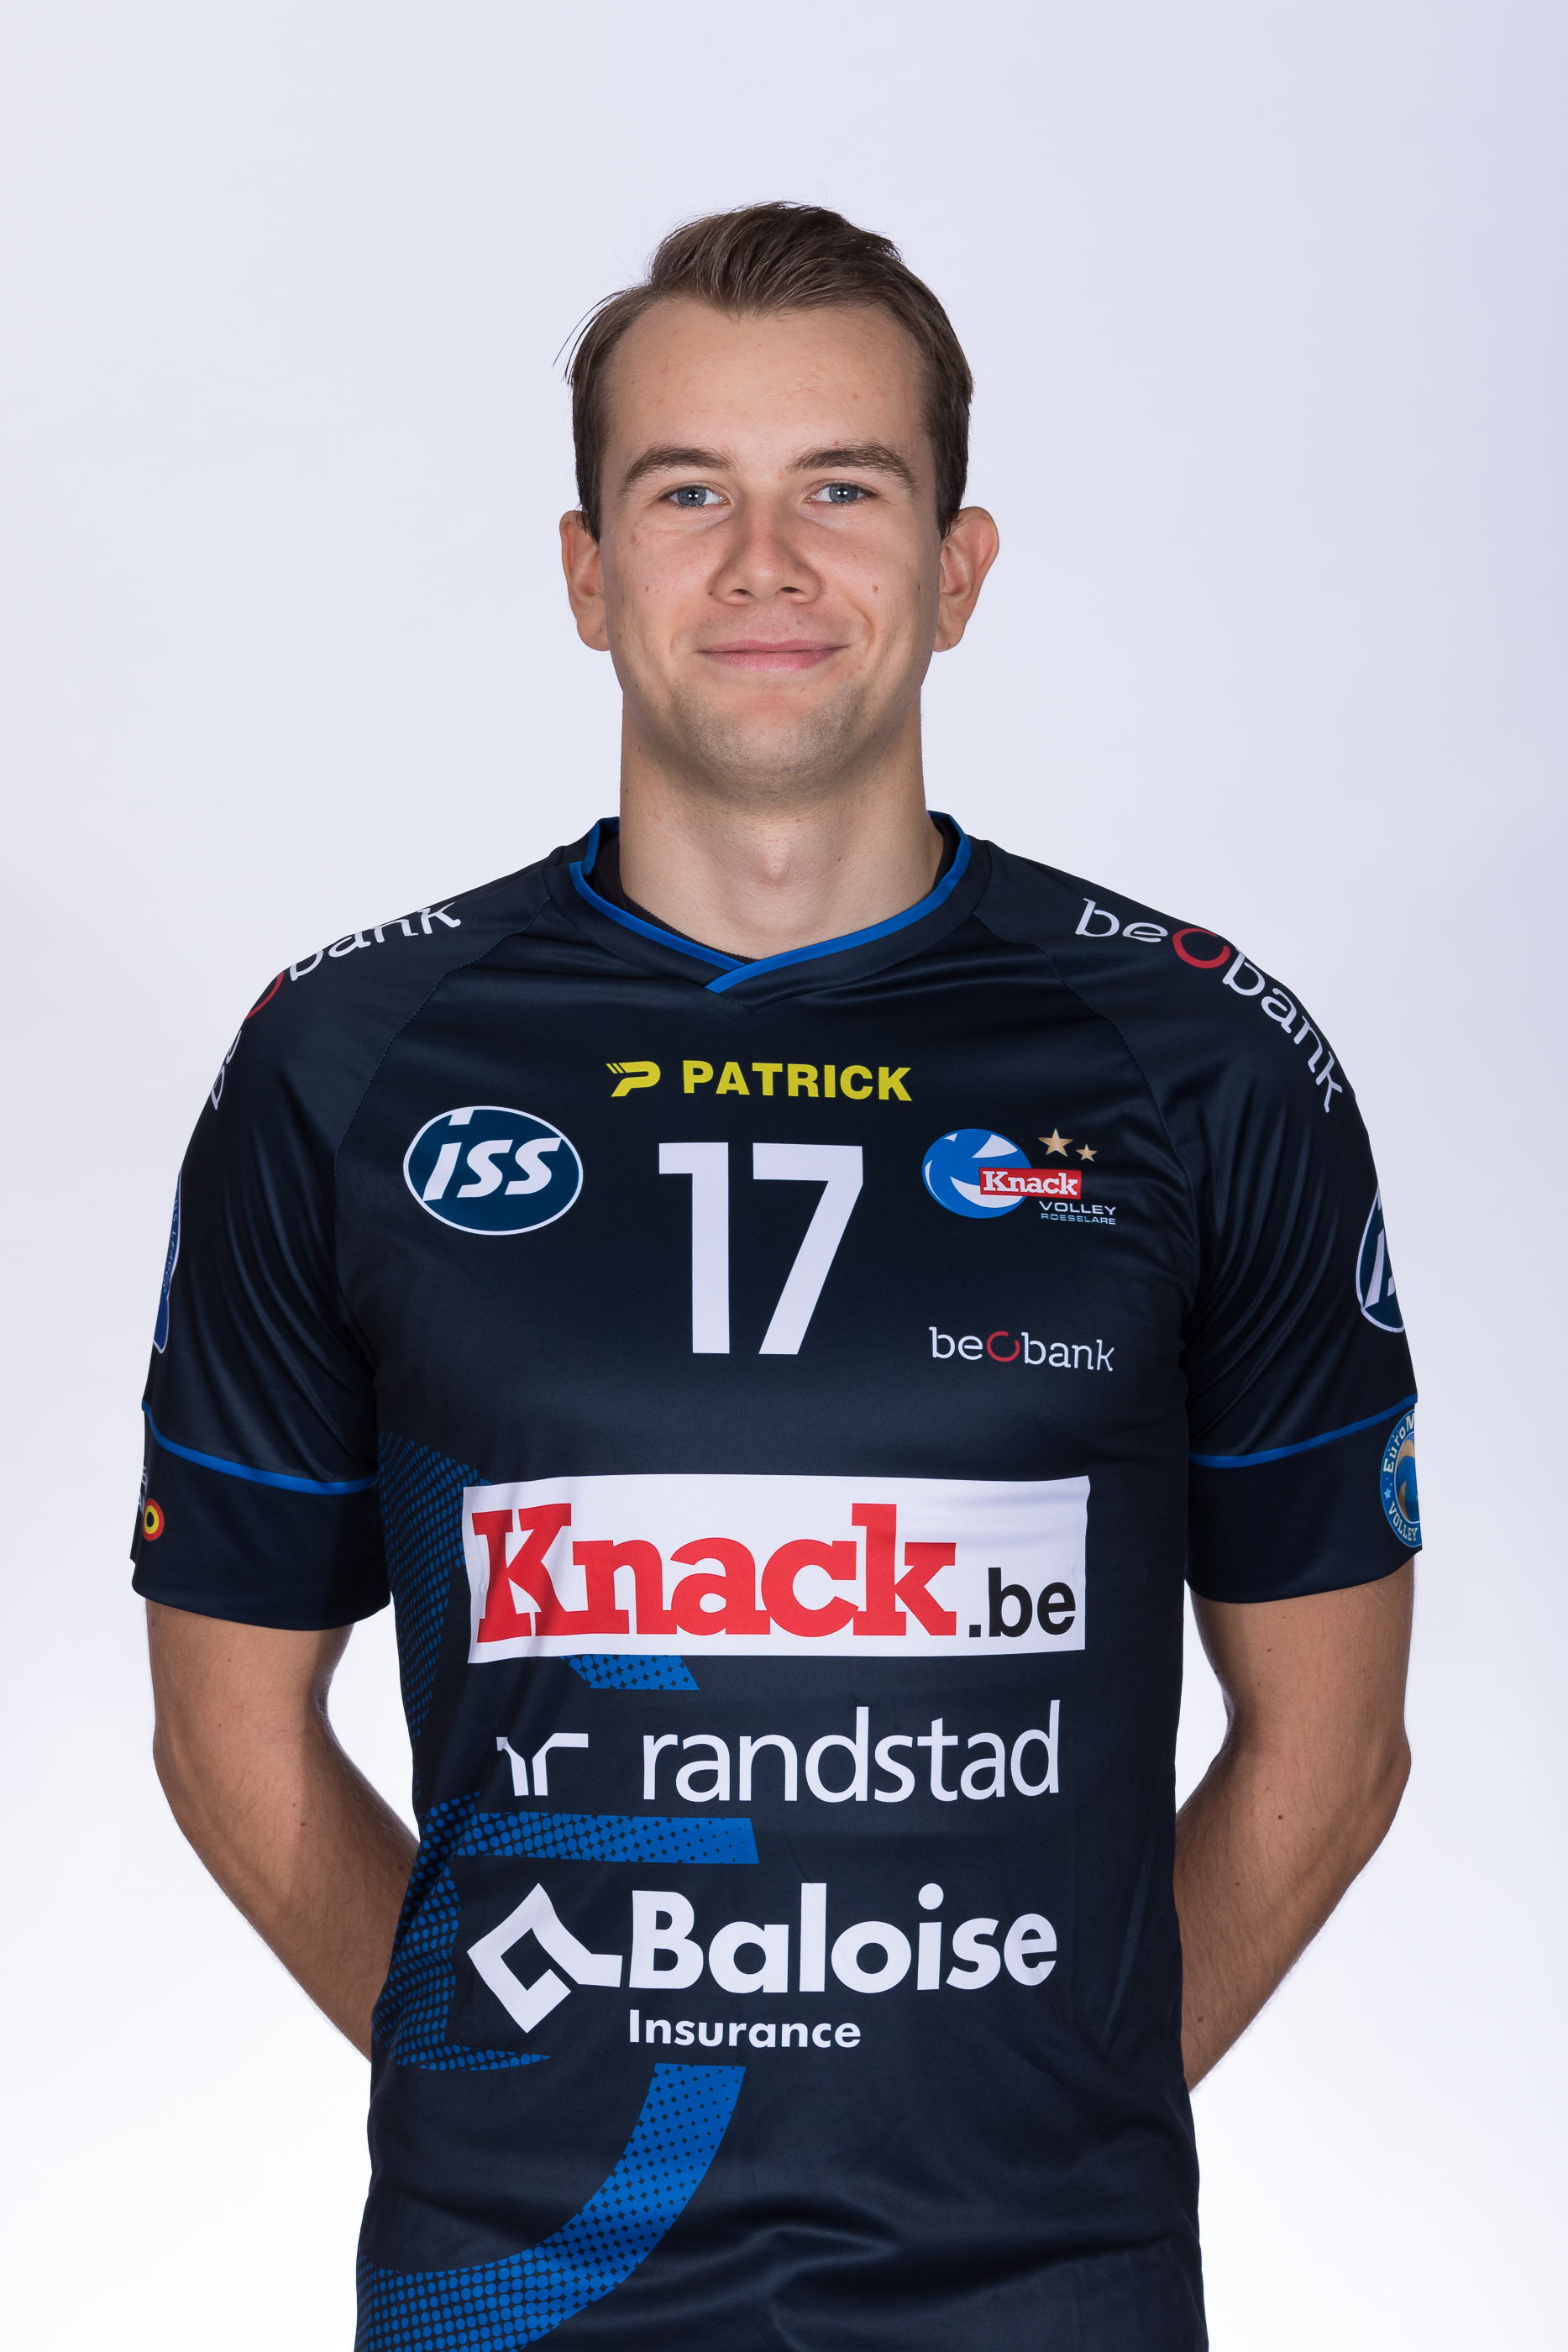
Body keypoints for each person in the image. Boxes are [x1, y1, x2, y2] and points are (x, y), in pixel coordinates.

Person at [134, 202, 1418, 2351]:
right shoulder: (345, 1065)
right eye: (685, 494)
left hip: (1050, 2307)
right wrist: (518, 2093)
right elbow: (222, 1727)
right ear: (584, 572)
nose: (762, 563)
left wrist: (1040, 2127)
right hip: (519, 2299)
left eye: (841, 489)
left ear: (958, 567)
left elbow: (1338, 1742)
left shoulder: (1202, 1062)